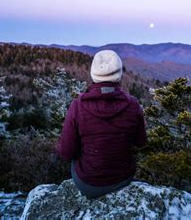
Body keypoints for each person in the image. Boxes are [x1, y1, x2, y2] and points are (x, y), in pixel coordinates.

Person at [56, 49, 147, 199]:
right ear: (119, 75)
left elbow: (66, 153)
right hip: (124, 178)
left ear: (93, 74)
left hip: (89, 185)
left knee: (75, 159)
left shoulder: (78, 106)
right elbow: (141, 142)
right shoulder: (133, 104)